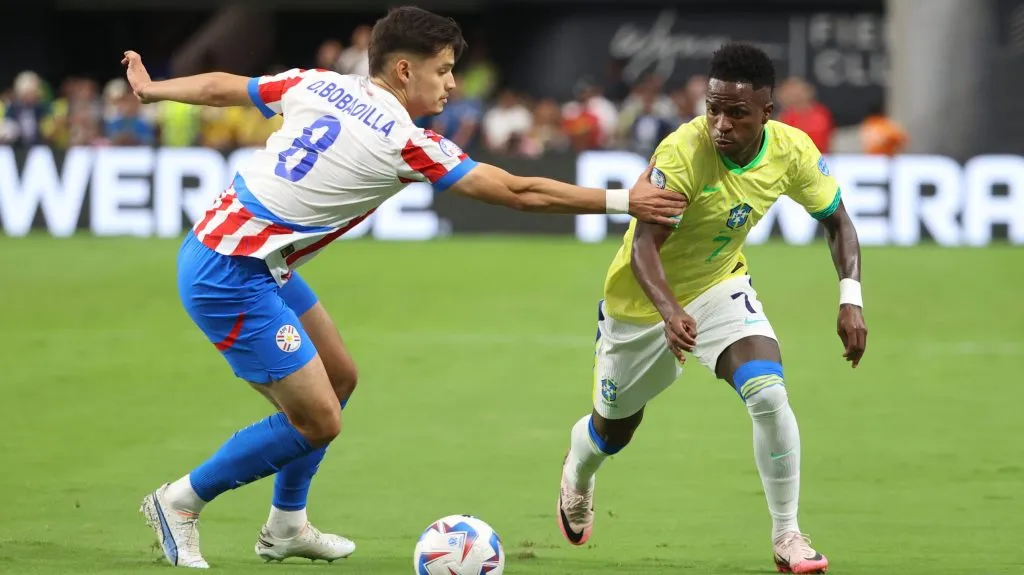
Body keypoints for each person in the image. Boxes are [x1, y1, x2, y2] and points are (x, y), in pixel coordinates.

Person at [122, 6, 686, 569]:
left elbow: (227, 87)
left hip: (248, 257)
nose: (452, 83)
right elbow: (518, 191)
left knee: (341, 376)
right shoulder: (405, 141)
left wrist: (153, 89)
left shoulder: (318, 83)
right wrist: (623, 200)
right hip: (229, 274)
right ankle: (180, 501)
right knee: (319, 420)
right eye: (442, 70)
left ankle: (286, 526)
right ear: (402, 71)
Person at [555, 43, 868, 574]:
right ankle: (578, 473)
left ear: (767, 112)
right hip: (640, 304)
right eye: (713, 109)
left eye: (737, 113)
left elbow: (837, 221)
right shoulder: (682, 151)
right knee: (613, 433)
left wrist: (850, 299)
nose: (721, 124)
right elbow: (643, 246)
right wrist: (670, 309)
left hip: (719, 284)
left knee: (767, 391)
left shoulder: (792, 151)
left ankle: (788, 535)